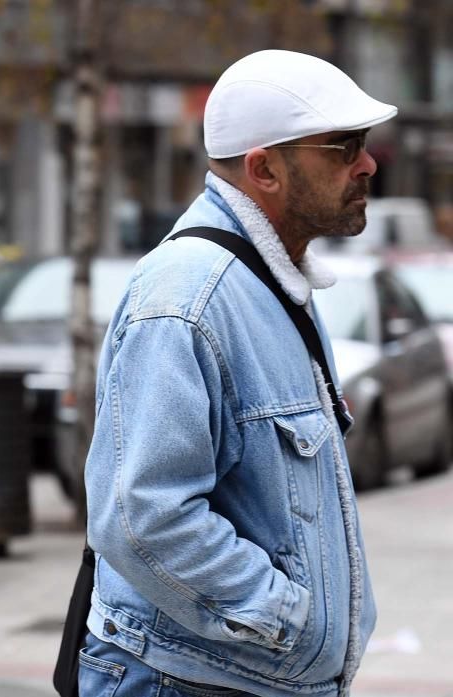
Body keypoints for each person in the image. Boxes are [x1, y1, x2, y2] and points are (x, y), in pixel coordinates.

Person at [80, 50, 395, 697]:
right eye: (343, 147)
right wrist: (290, 618)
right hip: (190, 682)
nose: (367, 164)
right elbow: (141, 519)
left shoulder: (273, 285)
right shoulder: (187, 297)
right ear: (265, 169)